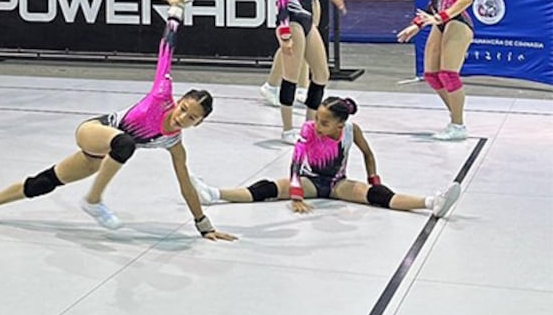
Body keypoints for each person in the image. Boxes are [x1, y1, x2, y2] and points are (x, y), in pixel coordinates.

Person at [0, 0, 236, 239]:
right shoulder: (162, 93)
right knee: (125, 142)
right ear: (179, 101)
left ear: (198, 123)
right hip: (94, 131)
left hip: (103, 155)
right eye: (184, 108)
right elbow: (167, 48)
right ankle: (94, 200)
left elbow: (185, 185)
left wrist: (204, 226)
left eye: (191, 118)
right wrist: (176, 10)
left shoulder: (174, 143)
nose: (182, 116)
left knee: (44, 182)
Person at [191, 97, 462, 218]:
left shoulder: (351, 131)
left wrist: (374, 180)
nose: (317, 125)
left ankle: (431, 203)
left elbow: (367, 153)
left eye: (324, 122)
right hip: (309, 181)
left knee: (380, 197)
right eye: (317, 119)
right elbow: (296, 163)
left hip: (337, 183)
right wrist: (296, 195)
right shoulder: (309, 130)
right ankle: (213, 194)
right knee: (268, 188)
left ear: (339, 124)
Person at [396, 0, 474, 140]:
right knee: (431, 75)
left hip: (457, 21)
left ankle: (458, 125)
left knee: (449, 74)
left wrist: (441, 17)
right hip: (439, 20)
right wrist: (417, 24)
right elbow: (435, 0)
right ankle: (455, 116)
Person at [274, 0, 346, 143]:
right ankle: (287, 129)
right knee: (291, 76)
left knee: (322, 74)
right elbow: (283, 0)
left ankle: (309, 124)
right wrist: (285, 34)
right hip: (293, 21)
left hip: (307, 23)